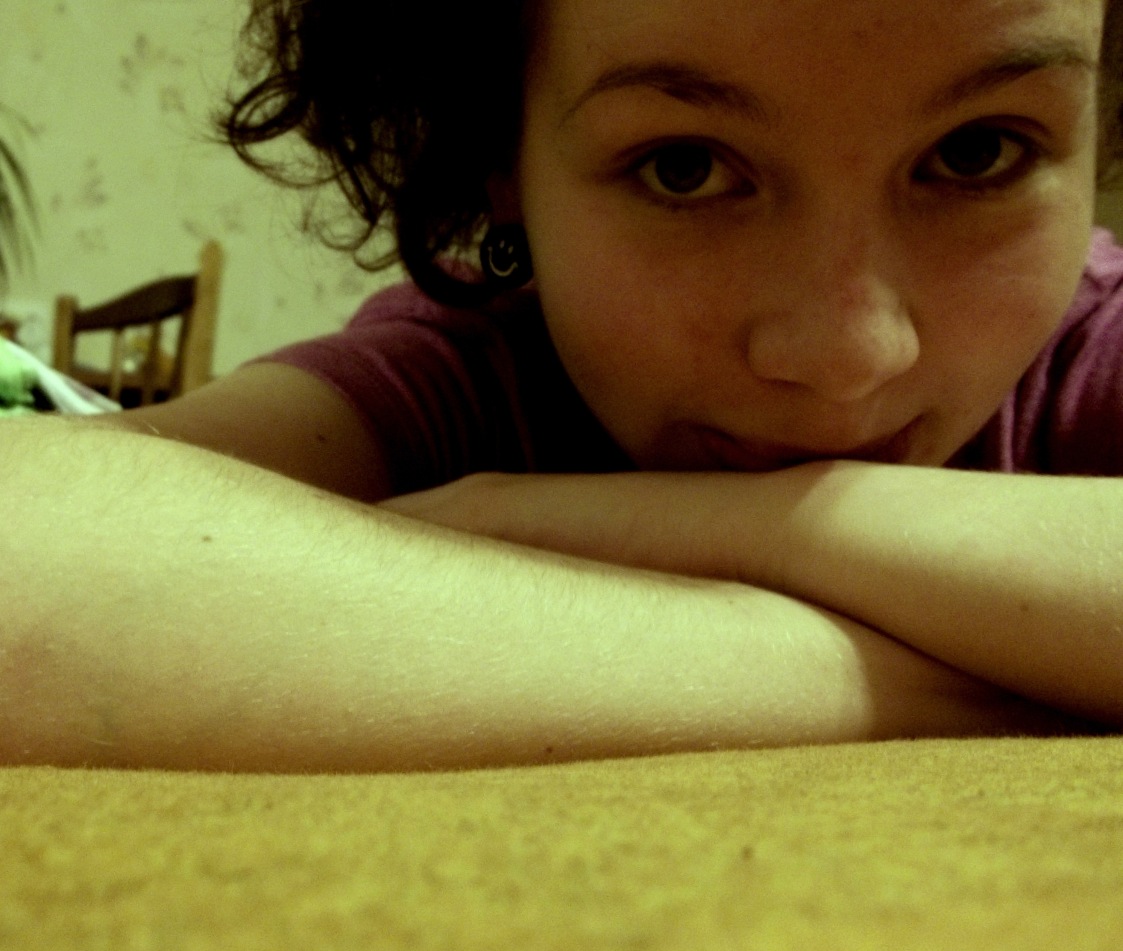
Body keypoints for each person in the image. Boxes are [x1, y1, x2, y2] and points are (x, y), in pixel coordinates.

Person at [1, 0, 1120, 771]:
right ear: (499, 157)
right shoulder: (461, 378)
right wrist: (931, 674)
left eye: (978, 152)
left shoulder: (1091, 347)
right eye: (684, 167)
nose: (848, 355)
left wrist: (726, 527)